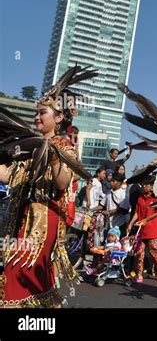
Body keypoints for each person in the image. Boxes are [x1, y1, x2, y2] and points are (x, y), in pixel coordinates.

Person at [0, 65, 97, 307]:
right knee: (20, 277)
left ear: (59, 117)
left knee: (18, 275)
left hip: (42, 224)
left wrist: (52, 153)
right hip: (21, 220)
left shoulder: (65, 147)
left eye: (42, 112)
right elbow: (9, 176)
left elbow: (63, 182)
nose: (36, 117)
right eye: (35, 113)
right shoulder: (29, 147)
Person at [126, 175, 157, 283]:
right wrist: (131, 223)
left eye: (146, 185)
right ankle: (138, 274)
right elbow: (137, 212)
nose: (144, 186)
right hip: (141, 229)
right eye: (143, 184)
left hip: (153, 229)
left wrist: (146, 219)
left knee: (153, 249)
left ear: (152, 186)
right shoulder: (141, 198)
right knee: (139, 251)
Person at [104, 172, 130, 238]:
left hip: (119, 224)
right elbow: (102, 205)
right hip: (109, 224)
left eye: (113, 181)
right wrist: (91, 209)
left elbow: (123, 209)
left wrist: (109, 212)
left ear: (119, 183)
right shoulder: (109, 192)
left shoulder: (123, 194)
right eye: (111, 181)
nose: (111, 183)